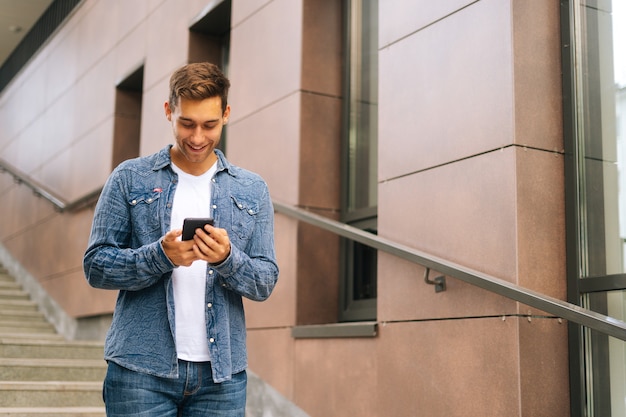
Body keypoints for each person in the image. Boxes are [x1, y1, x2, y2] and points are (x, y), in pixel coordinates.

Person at [83, 62, 279, 416]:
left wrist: (227, 259)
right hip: (140, 371)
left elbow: (265, 281)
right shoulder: (130, 178)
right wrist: (161, 256)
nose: (198, 137)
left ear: (227, 114)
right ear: (168, 110)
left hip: (222, 378)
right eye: (186, 123)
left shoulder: (252, 189)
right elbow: (96, 266)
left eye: (210, 124)